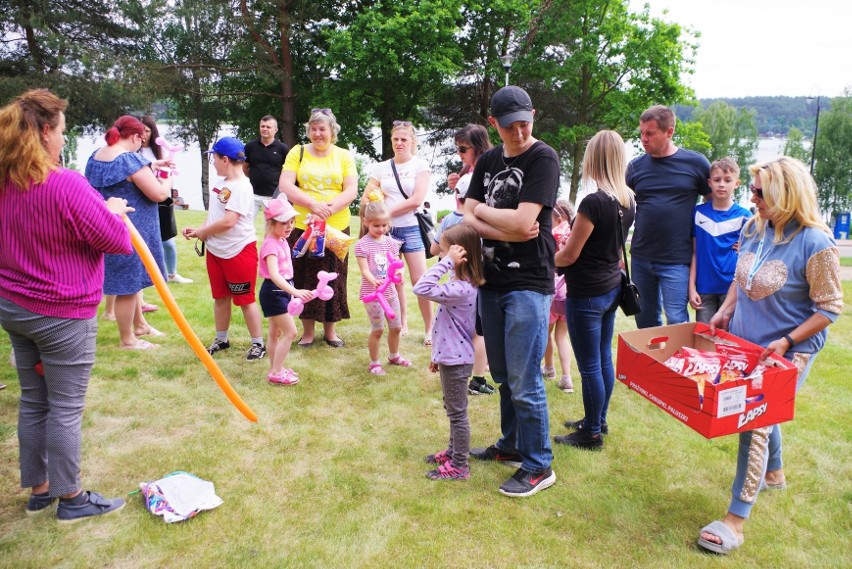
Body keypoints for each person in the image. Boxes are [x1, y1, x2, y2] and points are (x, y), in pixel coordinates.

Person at [697, 157, 842, 555]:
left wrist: (787, 341)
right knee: (765, 414)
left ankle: (735, 521)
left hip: (788, 351)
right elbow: (741, 278)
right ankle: (774, 474)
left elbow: (829, 307)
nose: (752, 197)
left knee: (753, 420)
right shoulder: (754, 227)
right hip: (747, 343)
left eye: (760, 191)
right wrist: (726, 309)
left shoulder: (816, 242)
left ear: (785, 193)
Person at [0, 88, 131, 522]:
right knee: (64, 407)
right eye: (61, 131)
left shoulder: (5, 181)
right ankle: (71, 497)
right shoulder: (64, 183)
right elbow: (116, 242)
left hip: (15, 308)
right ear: (43, 132)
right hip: (59, 312)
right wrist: (111, 211)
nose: (63, 138)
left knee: (35, 400)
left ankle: (40, 490)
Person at [463, 85, 558, 498]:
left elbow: (525, 226)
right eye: (509, 126)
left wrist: (480, 212)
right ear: (493, 125)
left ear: (533, 115)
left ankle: (539, 465)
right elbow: (467, 215)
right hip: (491, 279)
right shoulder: (487, 159)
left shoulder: (544, 158)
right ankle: (512, 444)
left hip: (529, 282)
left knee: (524, 377)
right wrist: (488, 215)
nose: (518, 132)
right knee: (502, 373)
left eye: (524, 123)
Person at [553, 130, 636, 449]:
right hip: (611, 287)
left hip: (586, 291)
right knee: (602, 357)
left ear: (594, 159)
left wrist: (549, 258)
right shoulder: (628, 198)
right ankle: (597, 420)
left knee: (589, 365)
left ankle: (590, 433)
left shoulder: (593, 202)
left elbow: (570, 254)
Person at [85, 115, 172, 350]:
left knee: (130, 280)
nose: (141, 146)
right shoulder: (130, 160)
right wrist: (168, 180)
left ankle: (140, 324)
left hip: (104, 227)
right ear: (135, 136)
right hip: (132, 231)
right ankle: (128, 339)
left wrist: (152, 166)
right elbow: (159, 195)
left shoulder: (95, 156)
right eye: (141, 141)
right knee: (128, 285)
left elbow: (119, 178)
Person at [278, 108, 357, 348]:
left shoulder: (344, 155)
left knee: (333, 277)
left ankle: (331, 331)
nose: (318, 133)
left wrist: (328, 209)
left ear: (332, 131)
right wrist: (313, 205)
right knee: (302, 276)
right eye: (314, 128)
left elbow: (351, 190)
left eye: (322, 128)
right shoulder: (297, 152)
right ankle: (307, 332)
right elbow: (286, 184)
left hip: (335, 227)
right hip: (302, 225)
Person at [626, 105, 711, 329]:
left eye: (650, 133)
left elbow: (714, 206)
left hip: (677, 258)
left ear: (669, 132)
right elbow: (623, 209)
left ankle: (676, 364)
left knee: (677, 321)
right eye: (641, 133)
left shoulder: (696, 163)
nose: (644, 139)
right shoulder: (635, 167)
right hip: (641, 256)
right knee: (644, 319)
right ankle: (650, 364)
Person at [182, 137, 266, 361]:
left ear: (225, 159)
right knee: (220, 297)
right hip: (216, 250)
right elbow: (217, 216)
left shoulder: (241, 187)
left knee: (245, 300)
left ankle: (258, 343)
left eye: (214, 158)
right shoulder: (225, 183)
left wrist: (203, 233)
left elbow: (229, 221)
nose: (214, 162)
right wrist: (200, 229)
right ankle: (222, 338)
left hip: (238, 251)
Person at [414, 223, 485, 481]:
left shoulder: (461, 289)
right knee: (452, 408)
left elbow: (420, 288)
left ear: (460, 254)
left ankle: (459, 466)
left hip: (456, 360)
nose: (440, 257)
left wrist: (444, 264)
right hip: (451, 357)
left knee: (457, 413)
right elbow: (446, 328)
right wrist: (437, 357)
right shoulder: (460, 283)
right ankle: (454, 451)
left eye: (444, 252)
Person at [364, 121, 433, 343]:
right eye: (395, 139)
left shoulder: (420, 166)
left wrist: (384, 212)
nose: (399, 143)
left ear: (413, 142)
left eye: (404, 139)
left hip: (412, 227)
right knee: (393, 281)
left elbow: (416, 200)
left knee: (420, 280)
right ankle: (402, 323)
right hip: (388, 231)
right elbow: (366, 197)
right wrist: (376, 211)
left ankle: (429, 328)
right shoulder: (381, 168)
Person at [688, 157, 751, 323]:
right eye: (717, 180)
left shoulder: (745, 216)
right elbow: (694, 253)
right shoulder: (698, 213)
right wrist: (691, 288)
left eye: (727, 180)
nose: (722, 184)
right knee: (704, 337)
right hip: (704, 288)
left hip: (731, 288)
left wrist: (744, 248)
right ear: (709, 183)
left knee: (728, 340)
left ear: (737, 184)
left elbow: (753, 253)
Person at [258, 198, 313, 385]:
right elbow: (274, 275)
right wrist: (295, 291)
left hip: (279, 291)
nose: (290, 226)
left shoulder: (280, 239)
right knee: (291, 332)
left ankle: (276, 367)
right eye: (284, 223)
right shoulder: (271, 245)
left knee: (275, 333)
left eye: (291, 221)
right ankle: (276, 371)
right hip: (274, 292)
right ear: (271, 223)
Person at [355, 196, 412, 375]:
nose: (381, 229)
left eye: (384, 225)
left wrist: (400, 273)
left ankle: (394, 355)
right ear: (366, 222)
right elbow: (364, 270)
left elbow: (396, 263)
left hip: (390, 293)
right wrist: (373, 280)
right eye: (376, 226)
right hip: (372, 295)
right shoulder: (362, 245)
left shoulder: (390, 242)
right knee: (378, 329)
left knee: (396, 327)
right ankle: (374, 362)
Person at [140, 116, 193, 285]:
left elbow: (168, 175)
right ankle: (148, 275)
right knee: (144, 242)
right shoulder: (133, 153)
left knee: (168, 241)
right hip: (143, 200)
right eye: (141, 130)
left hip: (163, 199)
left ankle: (172, 274)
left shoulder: (160, 151)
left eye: (147, 131)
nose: (143, 134)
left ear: (153, 132)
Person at [545, 198, 575, 393]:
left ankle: (549, 369)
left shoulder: (553, 234)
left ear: (559, 217)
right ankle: (567, 377)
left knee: (546, 333)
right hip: (569, 291)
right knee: (562, 337)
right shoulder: (572, 233)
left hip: (552, 290)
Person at [245, 115, 290, 210]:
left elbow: (287, 171)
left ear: (275, 130)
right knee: (246, 223)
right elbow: (244, 167)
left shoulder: (282, 148)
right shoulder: (250, 146)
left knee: (271, 225)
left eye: (268, 127)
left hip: (273, 195)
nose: (265, 129)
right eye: (262, 126)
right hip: (253, 193)